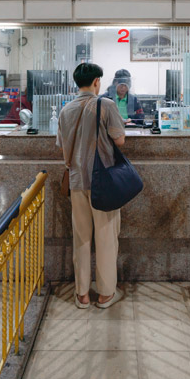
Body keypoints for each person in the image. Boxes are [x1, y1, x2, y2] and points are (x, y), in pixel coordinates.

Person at [56, 63, 126, 309]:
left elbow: (62, 145)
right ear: (97, 81)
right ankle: (106, 294)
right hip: (103, 182)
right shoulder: (106, 105)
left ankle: (82, 294)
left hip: (77, 181)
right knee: (106, 238)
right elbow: (119, 139)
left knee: (81, 239)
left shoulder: (65, 110)